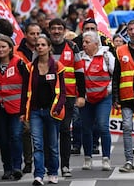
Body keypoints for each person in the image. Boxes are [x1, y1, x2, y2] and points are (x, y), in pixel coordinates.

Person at [20, 35, 66, 185]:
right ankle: (38, 175)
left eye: (42, 45)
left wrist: (58, 108)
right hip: (35, 111)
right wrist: (22, 112)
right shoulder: (30, 67)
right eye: (37, 45)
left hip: (52, 111)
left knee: (52, 145)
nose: (39, 47)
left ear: (49, 47)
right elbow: (24, 91)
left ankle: (53, 172)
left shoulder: (57, 66)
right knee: (38, 145)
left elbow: (63, 92)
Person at [0, 34, 28, 180]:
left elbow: (27, 86)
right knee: (3, 140)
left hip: (16, 108)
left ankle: (17, 167)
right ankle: (7, 168)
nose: (0, 50)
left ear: (10, 48)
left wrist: (25, 107)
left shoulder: (19, 63)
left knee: (15, 136)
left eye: (4, 47)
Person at [48, 18, 86, 177]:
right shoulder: (43, 46)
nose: (56, 31)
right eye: (53, 28)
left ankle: (65, 166)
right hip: (46, 97)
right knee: (49, 133)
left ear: (64, 30)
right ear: (49, 30)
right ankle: (50, 166)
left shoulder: (72, 47)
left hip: (68, 97)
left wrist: (82, 95)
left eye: (59, 28)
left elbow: (79, 73)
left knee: (64, 130)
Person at [112, 20, 134, 173]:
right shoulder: (120, 51)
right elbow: (116, 75)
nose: (133, 32)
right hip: (126, 96)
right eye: (130, 30)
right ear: (127, 32)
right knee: (127, 127)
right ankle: (128, 161)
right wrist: (115, 97)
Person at [80, 31, 115, 171]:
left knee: (102, 126)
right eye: (83, 42)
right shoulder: (79, 58)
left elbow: (114, 75)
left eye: (87, 42)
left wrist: (109, 90)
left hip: (103, 98)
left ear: (96, 43)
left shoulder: (107, 56)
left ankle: (106, 158)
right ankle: (87, 158)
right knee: (86, 128)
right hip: (86, 100)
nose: (84, 45)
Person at [14, 23, 41, 174]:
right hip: (24, 96)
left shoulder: (44, 48)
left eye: (38, 34)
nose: (36, 37)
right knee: (25, 131)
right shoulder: (17, 52)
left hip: (41, 97)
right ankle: (28, 161)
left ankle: (40, 162)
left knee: (40, 133)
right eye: (32, 34)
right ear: (25, 34)